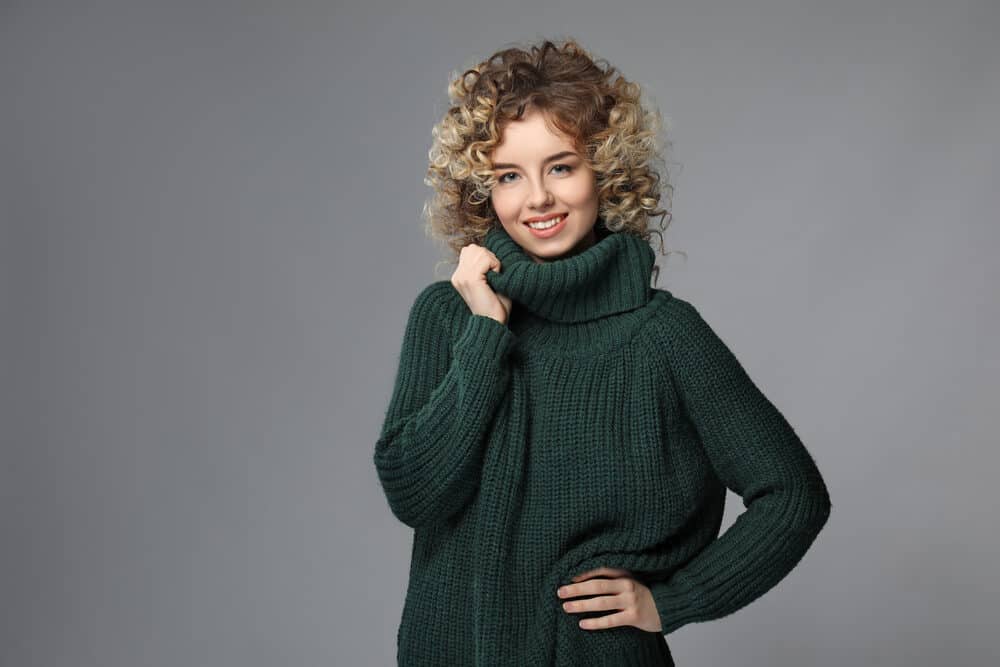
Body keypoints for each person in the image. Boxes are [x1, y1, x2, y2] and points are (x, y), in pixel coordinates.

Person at [373, 37, 831, 667]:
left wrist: (674, 600)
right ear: (482, 190)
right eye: (509, 175)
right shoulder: (448, 316)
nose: (537, 198)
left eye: (561, 166)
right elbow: (416, 495)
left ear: (606, 173)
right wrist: (485, 335)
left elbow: (793, 495)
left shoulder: (663, 336)